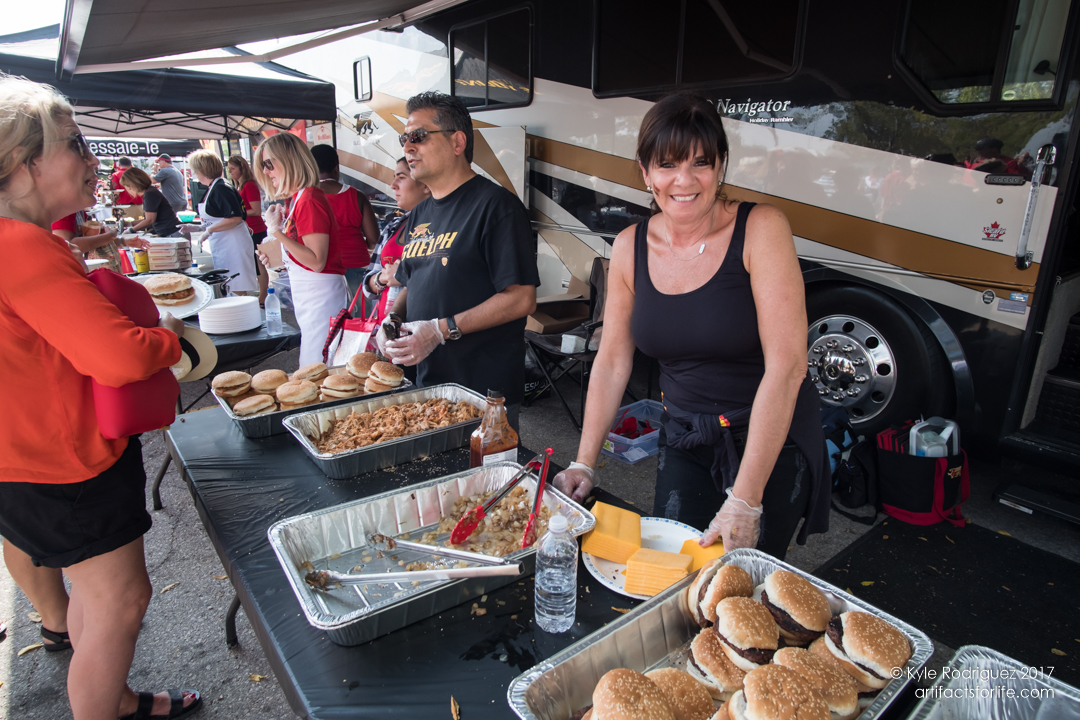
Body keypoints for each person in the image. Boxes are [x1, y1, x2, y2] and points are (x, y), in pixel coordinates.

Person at [551, 93, 829, 560]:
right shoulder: (629, 246)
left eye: (701, 162)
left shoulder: (761, 228)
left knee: (736, 588)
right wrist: (584, 461)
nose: (684, 180)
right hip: (685, 437)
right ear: (645, 172)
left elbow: (788, 367)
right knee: (673, 574)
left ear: (721, 166)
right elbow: (614, 358)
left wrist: (745, 498)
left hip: (768, 441)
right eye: (668, 164)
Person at [0, 74, 201, 720]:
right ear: (23, 167)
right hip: (68, 465)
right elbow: (117, 356)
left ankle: (115, 699)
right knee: (120, 602)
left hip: (27, 459)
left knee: (92, 596)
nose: (90, 161)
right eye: (73, 145)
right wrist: (167, 339)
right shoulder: (23, 248)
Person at [377, 92, 538, 429]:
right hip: (427, 383)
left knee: (484, 481)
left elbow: (521, 298)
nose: (408, 147)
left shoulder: (497, 207)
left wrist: (440, 330)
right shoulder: (420, 212)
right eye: (404, 138)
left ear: (457, 142)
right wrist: (393, 318)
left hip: (483, 392)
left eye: (418, 136)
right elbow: (412, 280)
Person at [254, 133, 348, 366]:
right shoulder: (299, 199)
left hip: (321, 298)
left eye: (268, 164)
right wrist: (276, 254)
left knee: (317, 367)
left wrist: (276, 232)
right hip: (312, 299)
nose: (266, 172)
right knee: (317, 365)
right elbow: (303, 254)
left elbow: (317, 260)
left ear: (288, 161)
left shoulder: (308, 200)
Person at [363, 157, 430, 325]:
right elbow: (368, 285)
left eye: (401, 177)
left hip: (421, 329)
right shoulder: (394, 226)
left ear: (426, 185)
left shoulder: (445, 227)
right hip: (384, 327)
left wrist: (404, 276)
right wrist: (382, 278)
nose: (393, 185)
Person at [309, 144, 380, 299]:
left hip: (324, 269)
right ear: (336, 167)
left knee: (333, 318)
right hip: (357, 264)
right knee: (359, 319)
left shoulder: (307, 198)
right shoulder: (358, 196)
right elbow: (374, 240)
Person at [188, 150, 258, 296]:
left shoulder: (221, 188)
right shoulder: (213, 187)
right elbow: (217, 217)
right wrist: (198, 227)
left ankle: (241, 316)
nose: (193, 173)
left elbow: (234, 218)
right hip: (223, 243)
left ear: (201, 170)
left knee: (236, 285)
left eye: (194, 170)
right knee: (229, 285)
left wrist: (209, 231)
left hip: (233, 243)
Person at [227, 154, 270, 304]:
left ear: (241, 168)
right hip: (246, 229)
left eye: (233, 168)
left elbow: (256, 210)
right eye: (229, 169)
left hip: (256, 229)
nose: (230, 171)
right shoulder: (239, 186)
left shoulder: (249, 185)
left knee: (260, 265)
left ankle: (263, 296)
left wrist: (238, 214)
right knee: (253, 263)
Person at [52, 210, 150, 273]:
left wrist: (122, 241)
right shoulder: (64, 212)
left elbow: (92, 242)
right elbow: (67, 246)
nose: (95, 178)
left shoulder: (78, 211)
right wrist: (110, 236)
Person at [120, 167, 181, 237]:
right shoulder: (150, 191)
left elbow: (149, 220)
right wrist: (130, 224)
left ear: (130, 186)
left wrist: (131, 230)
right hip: (171, 232)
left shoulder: (150, 193)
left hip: (172, 233)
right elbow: (149, 218)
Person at [965, 137, 1033, 180]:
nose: (978, 152)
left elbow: (1016, 182)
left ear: (993, 150)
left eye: (982, 149)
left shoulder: (1009, 163)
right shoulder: (977, 162)